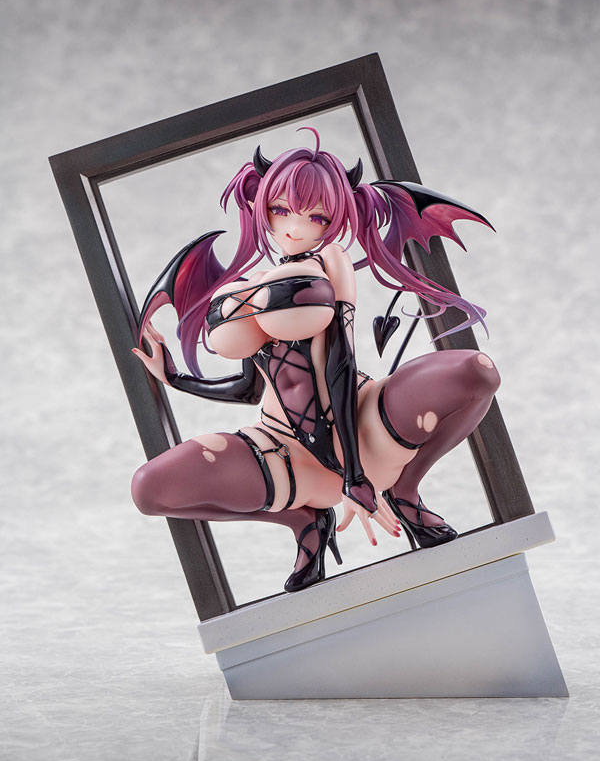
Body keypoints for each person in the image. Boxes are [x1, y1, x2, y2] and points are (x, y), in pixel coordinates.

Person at [131, 128, 500, 593]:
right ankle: (304, 522)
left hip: (364, 421)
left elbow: (339, 362)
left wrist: (356, 476)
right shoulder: (246, 282)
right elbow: (249, 388)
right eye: (280, 209)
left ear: (336, 218)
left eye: (317, 215)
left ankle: (404, 491)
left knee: (477, 371)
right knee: (149, 489)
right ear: (260, 203)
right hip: (281, 447)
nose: (295, 226)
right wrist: (175, 378)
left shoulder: (330, 260)